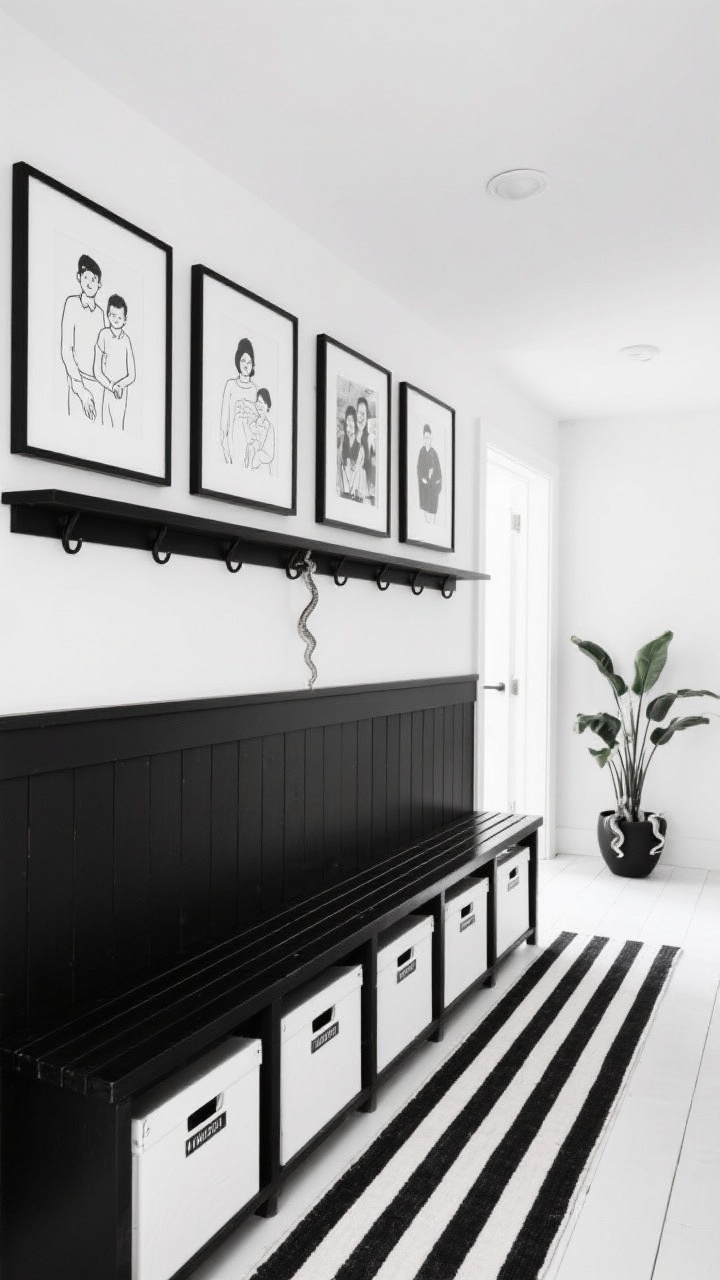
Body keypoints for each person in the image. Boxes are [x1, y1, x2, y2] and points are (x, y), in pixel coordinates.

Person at [60, 253, 105, 422]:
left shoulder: (101, 314)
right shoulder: (71, 304)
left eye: (94, 279)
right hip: (78, 382)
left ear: (99, 284)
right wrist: (81, 390)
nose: (89, 282)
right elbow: (66, 350)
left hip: (99, 383)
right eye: (86, 277)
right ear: (79, 277)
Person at [93, 294, 136, 430]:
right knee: (105, 425)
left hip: (122, 392)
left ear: (125, 320)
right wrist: (112, 386)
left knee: (119, 426)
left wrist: (119, 386)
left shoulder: (126, 340)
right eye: (112, 315)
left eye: (119, 317)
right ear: (107, 315)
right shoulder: (103, 335)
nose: (116, 320)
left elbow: (132, 374)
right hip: (106, 389)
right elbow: (97, 371)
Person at [220, 337, 258, 463]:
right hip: (232, 443)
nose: (246, 365)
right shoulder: (230, 385)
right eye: (243, 361)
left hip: (249, 446)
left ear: (253, 364)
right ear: (238, 362)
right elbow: (224, 419)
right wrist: (225, 444)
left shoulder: (255, 390)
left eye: (249, 362)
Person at [245, 387, 275, 471]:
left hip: (263, 463)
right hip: (250, 463)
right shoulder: (252, 424)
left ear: (267, 406)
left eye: (263, 403)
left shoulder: (269, 427)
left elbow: (268, 452)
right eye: (258, 402)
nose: (259, 405)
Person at [417, 423, 442, 521]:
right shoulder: (421, 452)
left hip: (433, 486)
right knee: (425, 509)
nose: (426, 440)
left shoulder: (434, 453)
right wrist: (424, 477)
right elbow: (419, 468)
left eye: (428, 437)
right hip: (424, 485)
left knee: (432, 510)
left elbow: (438, 471)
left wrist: (435, 479)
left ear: (431, 439)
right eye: (424, 437)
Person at [339, 405, 365, 500]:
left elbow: (357, 465)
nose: (349, 424)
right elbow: (343, 465)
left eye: (351, 421)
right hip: (345, 487)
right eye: (348, 421)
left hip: (355, 487)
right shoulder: (343, 442)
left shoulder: (359, 443)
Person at [357, 396, 376, 503]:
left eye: (364, 414)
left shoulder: (370, 439)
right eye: (359, 413)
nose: (361, 417)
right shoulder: (349, 437)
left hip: (366, 494)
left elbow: (373, 467)